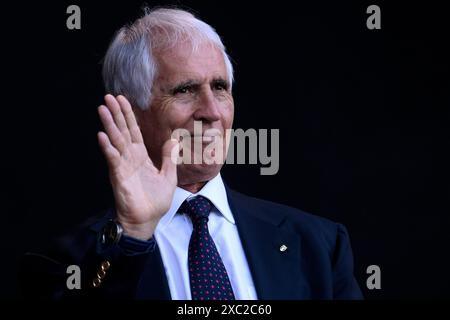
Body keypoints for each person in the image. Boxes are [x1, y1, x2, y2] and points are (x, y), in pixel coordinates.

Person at [20, 7, 363, 300]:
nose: (212, 111)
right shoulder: (68, 261)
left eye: (220, 87)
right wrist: (134, 235)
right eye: (185, 90)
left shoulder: (319, 244)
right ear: (132, 112)